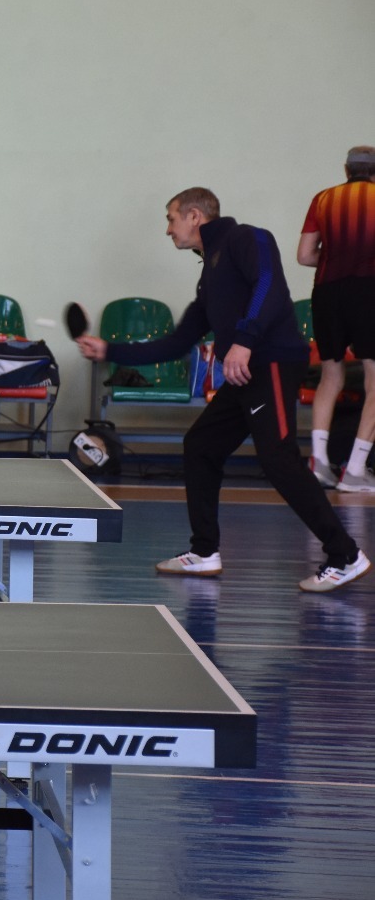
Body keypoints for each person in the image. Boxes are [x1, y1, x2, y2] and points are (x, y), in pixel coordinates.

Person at [76, 187, 369, 593]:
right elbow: (177, 343)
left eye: (171, 218)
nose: (168, 229)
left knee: (279, 460)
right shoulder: (210, 277)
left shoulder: (248, 238)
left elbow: (269, 285)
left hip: (271, 363)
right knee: (201, 445)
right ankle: (204, 552)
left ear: (195, 216)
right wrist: (109, 350)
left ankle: (345, 555)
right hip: (245, 373)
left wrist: (245, 341)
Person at [297, 145, 375, 492]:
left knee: (331, 374)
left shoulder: (323, 199)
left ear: (346, 170)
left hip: (327, 291)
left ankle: (319, 463)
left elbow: (304, 255)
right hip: (369, 290)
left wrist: (338, 258)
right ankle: (355, 469)